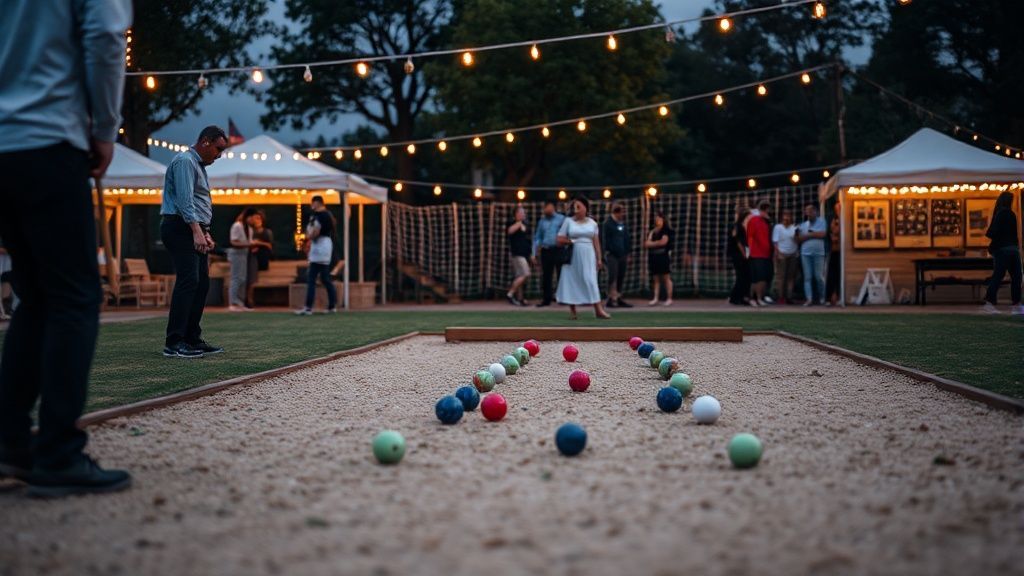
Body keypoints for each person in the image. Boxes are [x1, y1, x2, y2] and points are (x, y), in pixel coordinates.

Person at [0, 0, 133, 496]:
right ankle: (58, 453)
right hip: (48, 135)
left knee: (35, 297)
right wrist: (104, 127)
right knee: (75, 298)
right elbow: (104, 36)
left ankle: (10, 439)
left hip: (4, 145)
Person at [161, 126, 227, 357]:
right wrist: (196, 231)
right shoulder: (185, 161)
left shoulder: (198, 165)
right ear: (206, 142)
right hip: (179, 227)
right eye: (218, 149)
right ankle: (174, 341)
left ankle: (191, 338)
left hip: (193, 227)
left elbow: (198, 204)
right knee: (189, 280)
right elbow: (184, 200)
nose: (219, 155)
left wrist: (205, 232)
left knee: (201, 284)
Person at [556, 197, 611, 320]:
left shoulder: (593, 223)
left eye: (579, 206)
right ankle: (573, 311)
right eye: (574, 207)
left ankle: (598, 310)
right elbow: (559, 239)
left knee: (590, 280)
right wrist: (570, 241)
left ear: (585, 207)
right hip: (573, 254)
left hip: (588, 254)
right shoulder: (568, 221)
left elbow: (596, 242)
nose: (576, 210)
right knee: (571, 280)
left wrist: (599, 258)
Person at [982, 191, 1022, 315]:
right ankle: (1015, 304)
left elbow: (991, 233)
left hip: (1003, 249)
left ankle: (990, 302)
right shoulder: (1010, 214)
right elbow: (1012, 234)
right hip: (1012, 249)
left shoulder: (1000, 214)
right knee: (1016, 277)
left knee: (999, 275)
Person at [296, 195, 337, 315]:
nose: (311, 205)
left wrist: (308, 238)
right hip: (325, 246)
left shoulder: (320, 216)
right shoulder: (328, 215)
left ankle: (308, 307)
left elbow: (315, 231)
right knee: (325, 278)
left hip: (319, 246)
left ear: (317, 203)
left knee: (312, 278)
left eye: (312, 203)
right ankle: (332, 306)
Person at [533, 201, 566, 307]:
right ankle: (546, 299)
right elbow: (537, 237)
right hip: (546, 250)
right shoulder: (542, 221)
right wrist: (534, 252)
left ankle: (563, 298)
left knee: (561, 274)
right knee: (546, 276)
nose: (547, 209)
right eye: (545, 208)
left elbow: (567, 232)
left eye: (549, 207)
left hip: (559, 249)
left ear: (553, 207)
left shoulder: (561, 219)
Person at [602, 202, 633, 308]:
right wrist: (606, 251)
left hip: (622, 254)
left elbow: (626, 238)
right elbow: (605, 240)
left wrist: (628, 252)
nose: (623, 215)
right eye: (621, 212)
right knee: (612, 275)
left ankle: (618, 296)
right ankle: (610, 297)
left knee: (621, 275)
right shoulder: (608, 224)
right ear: (616, 212)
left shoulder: (622, 224)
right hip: (612, 254)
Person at [797, 203, 828, 306]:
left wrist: (808, 235)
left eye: (810, 211)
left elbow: (822, 234)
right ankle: (809, 299)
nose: (808, 213)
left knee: (818, 276)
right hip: (805, 253)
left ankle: (822, 297)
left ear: (816, 212)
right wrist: (813, 234)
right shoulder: (803, 225)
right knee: (807, 277)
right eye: (807, 211)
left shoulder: (822, 221)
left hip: (819, 253)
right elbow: (799, 238)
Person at [227, 207, 256, 312]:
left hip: (244, 255)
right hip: (236, 255)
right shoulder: (237, 226)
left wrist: (252, 245)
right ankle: (232, 303)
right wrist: (248, 244)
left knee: (243, 279)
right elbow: (233, 242)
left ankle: (240, 302)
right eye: (253, 217)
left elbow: (249, 242)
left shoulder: (249, 229)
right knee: (236, 278)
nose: (254, 220)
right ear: (248, 217)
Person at [645, 211, 674, 306]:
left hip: (663, 256)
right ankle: (655, 298)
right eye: (656, 218)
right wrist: (656, 243)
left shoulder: (666, 230)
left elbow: (664, 242)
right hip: (654, 256)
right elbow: (647, 243)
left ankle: (669, 298)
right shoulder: (653, 231)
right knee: (656, 278)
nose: (657, 220)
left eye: (659, 218)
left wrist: (654, 243)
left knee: (666, 277)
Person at [747, 201, 773, 307]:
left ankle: (759, 297)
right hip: (756, 254)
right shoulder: (754, 220)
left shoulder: (766, 222)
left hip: (766, 253)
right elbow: (750, 236)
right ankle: (754, 298)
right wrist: (750, 251)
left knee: (763, 278)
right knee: (757, 278)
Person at [506, 206, 532, 306]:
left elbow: (526, 240)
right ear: (516, 214)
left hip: (524, 254)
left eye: (523, 212)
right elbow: (510, 231)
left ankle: (520, 299)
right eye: (521, 212)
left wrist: (530, 254)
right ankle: (510, 293)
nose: (523, 214)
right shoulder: (513, 223)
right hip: (517, 254)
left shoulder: (525, 225)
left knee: (520, 276)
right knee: (526, 274)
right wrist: (518, 223)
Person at [772, 210, 799, 304]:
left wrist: (797, 235)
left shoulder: (794, 228)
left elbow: (797, 241)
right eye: (784, 216)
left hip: (793, 254)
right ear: (782, 217)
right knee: (781, 277)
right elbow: (775, 242)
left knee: (791, 277)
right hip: (782, 254)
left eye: (788, 216)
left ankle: (789, 297)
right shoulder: (778, 227)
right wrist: (777, 253)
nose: (786, 218)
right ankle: (780, 297)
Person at [248, 211, 274, 307]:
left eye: (258, 218)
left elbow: (270, 246)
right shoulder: (250, 231)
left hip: (263, 258)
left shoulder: (267, 232)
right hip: (252, 257)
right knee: (250, 278)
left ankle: (250, 300)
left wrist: (258, 243)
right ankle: (249, 300)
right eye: (255, 218)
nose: (257, 221)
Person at [727, 206, 751, 306]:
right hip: (738, 255)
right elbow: (738, 242)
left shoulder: (740, 226)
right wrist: (744, 254)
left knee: (744, 276)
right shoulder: (738, 226)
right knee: (741, 276)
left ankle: (739, 296)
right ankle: (736, 297)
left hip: (738, 254)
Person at [825, 205, 842, 306]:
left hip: (842, 252)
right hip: (834, 250)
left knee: (839, 275)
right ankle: (830, 296)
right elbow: (833, 231)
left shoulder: (843, 219)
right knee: (832, 275)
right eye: (837, 208)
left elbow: (837, 231)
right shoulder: (832, 219)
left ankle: (838, 295)